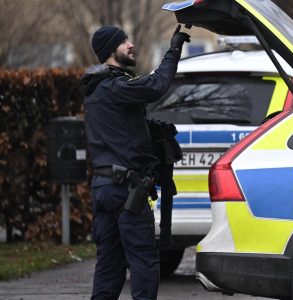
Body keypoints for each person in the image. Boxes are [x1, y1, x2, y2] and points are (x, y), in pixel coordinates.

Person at [81, 24, 190, 299]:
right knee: (143, 261)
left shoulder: (95, 92)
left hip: (103, 188)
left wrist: (150, 132)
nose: (130, 45)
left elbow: (121, 131)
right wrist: (173, 49)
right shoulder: (116, 86)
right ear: (110, 51)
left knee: (109, 263)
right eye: (123, 41)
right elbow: (156, 85)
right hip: (125, 191)